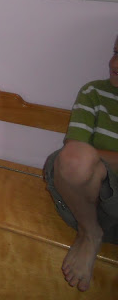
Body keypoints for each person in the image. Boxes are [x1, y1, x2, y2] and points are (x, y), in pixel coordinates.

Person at [44, 35, 118, 292]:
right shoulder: (94, 93)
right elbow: (75, 153)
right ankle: (90, 232)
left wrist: (98, 159)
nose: (115, 63)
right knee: (74, 158)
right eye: (116, 52)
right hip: (83, 203)